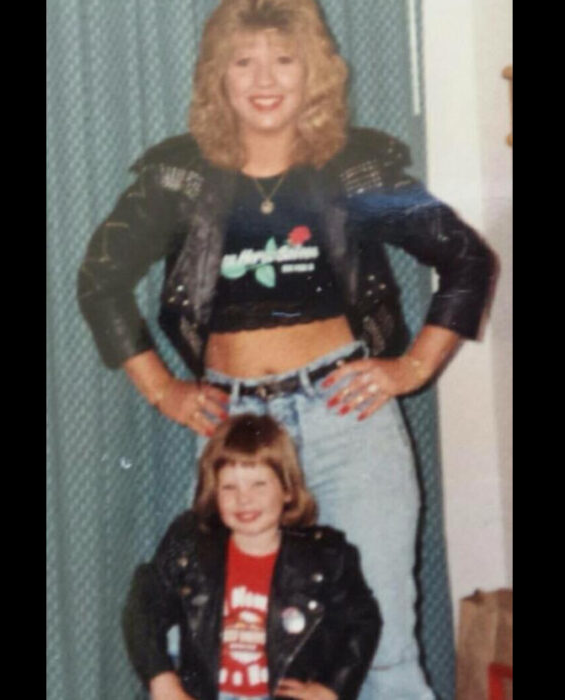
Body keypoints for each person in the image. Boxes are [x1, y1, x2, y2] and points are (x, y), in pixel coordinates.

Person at [78, 0, 495, 696]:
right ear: (218, 77)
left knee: (381, 643)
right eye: (243, 61)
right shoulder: (177, 177)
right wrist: (163, 389)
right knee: (216, 636)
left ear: (315, 75)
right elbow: (101, 279)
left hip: (347, 420)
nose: (263, 77)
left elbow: (465, 259)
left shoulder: (356, 168)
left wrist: (413, 366)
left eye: (283, 58)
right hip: (235, 432)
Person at [122, 413, 380, 700]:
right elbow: (143, 606)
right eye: (229, 487)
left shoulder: (325, 556)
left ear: (287, 490)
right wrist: (162, 681)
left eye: (259, 485)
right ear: (214, 492)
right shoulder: (190, 544)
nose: (244, 499)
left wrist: (333, 689)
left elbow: (362, 622)